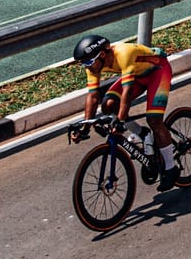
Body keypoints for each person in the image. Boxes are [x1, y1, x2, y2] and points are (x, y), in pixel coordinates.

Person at [68, 34, 180, 190]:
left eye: (88, 63)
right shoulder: (94, 64)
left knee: (154, 119)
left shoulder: (123, 53)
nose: (86, 67)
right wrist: (85, 128)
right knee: (108, 105)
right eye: (83, 64)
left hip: (158, 71)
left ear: (101, 55)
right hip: (138, 76)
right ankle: (142, 133)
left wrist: (120, 122)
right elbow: (93, 97)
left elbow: (127, 93)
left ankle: (170, 168)